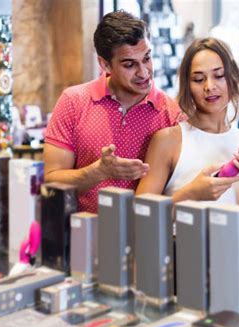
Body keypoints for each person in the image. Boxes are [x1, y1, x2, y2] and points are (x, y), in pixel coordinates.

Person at [44, 11, 181, 213]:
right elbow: (51, 180)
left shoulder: (171, 113)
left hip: (145, 235)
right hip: (83, 233)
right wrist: (98, 172)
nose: (143, 72)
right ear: (105, 64)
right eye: (129, 64)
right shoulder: (73, 102)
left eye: (147, 58)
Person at [136, 37, 239, 241]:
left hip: (232, 263)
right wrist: (191, 194)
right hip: (179, 264)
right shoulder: (168, 141)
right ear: (187, 86)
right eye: (198, 79)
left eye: (219, 76)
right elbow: (141, 219)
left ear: (232, 78)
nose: (209, 86)